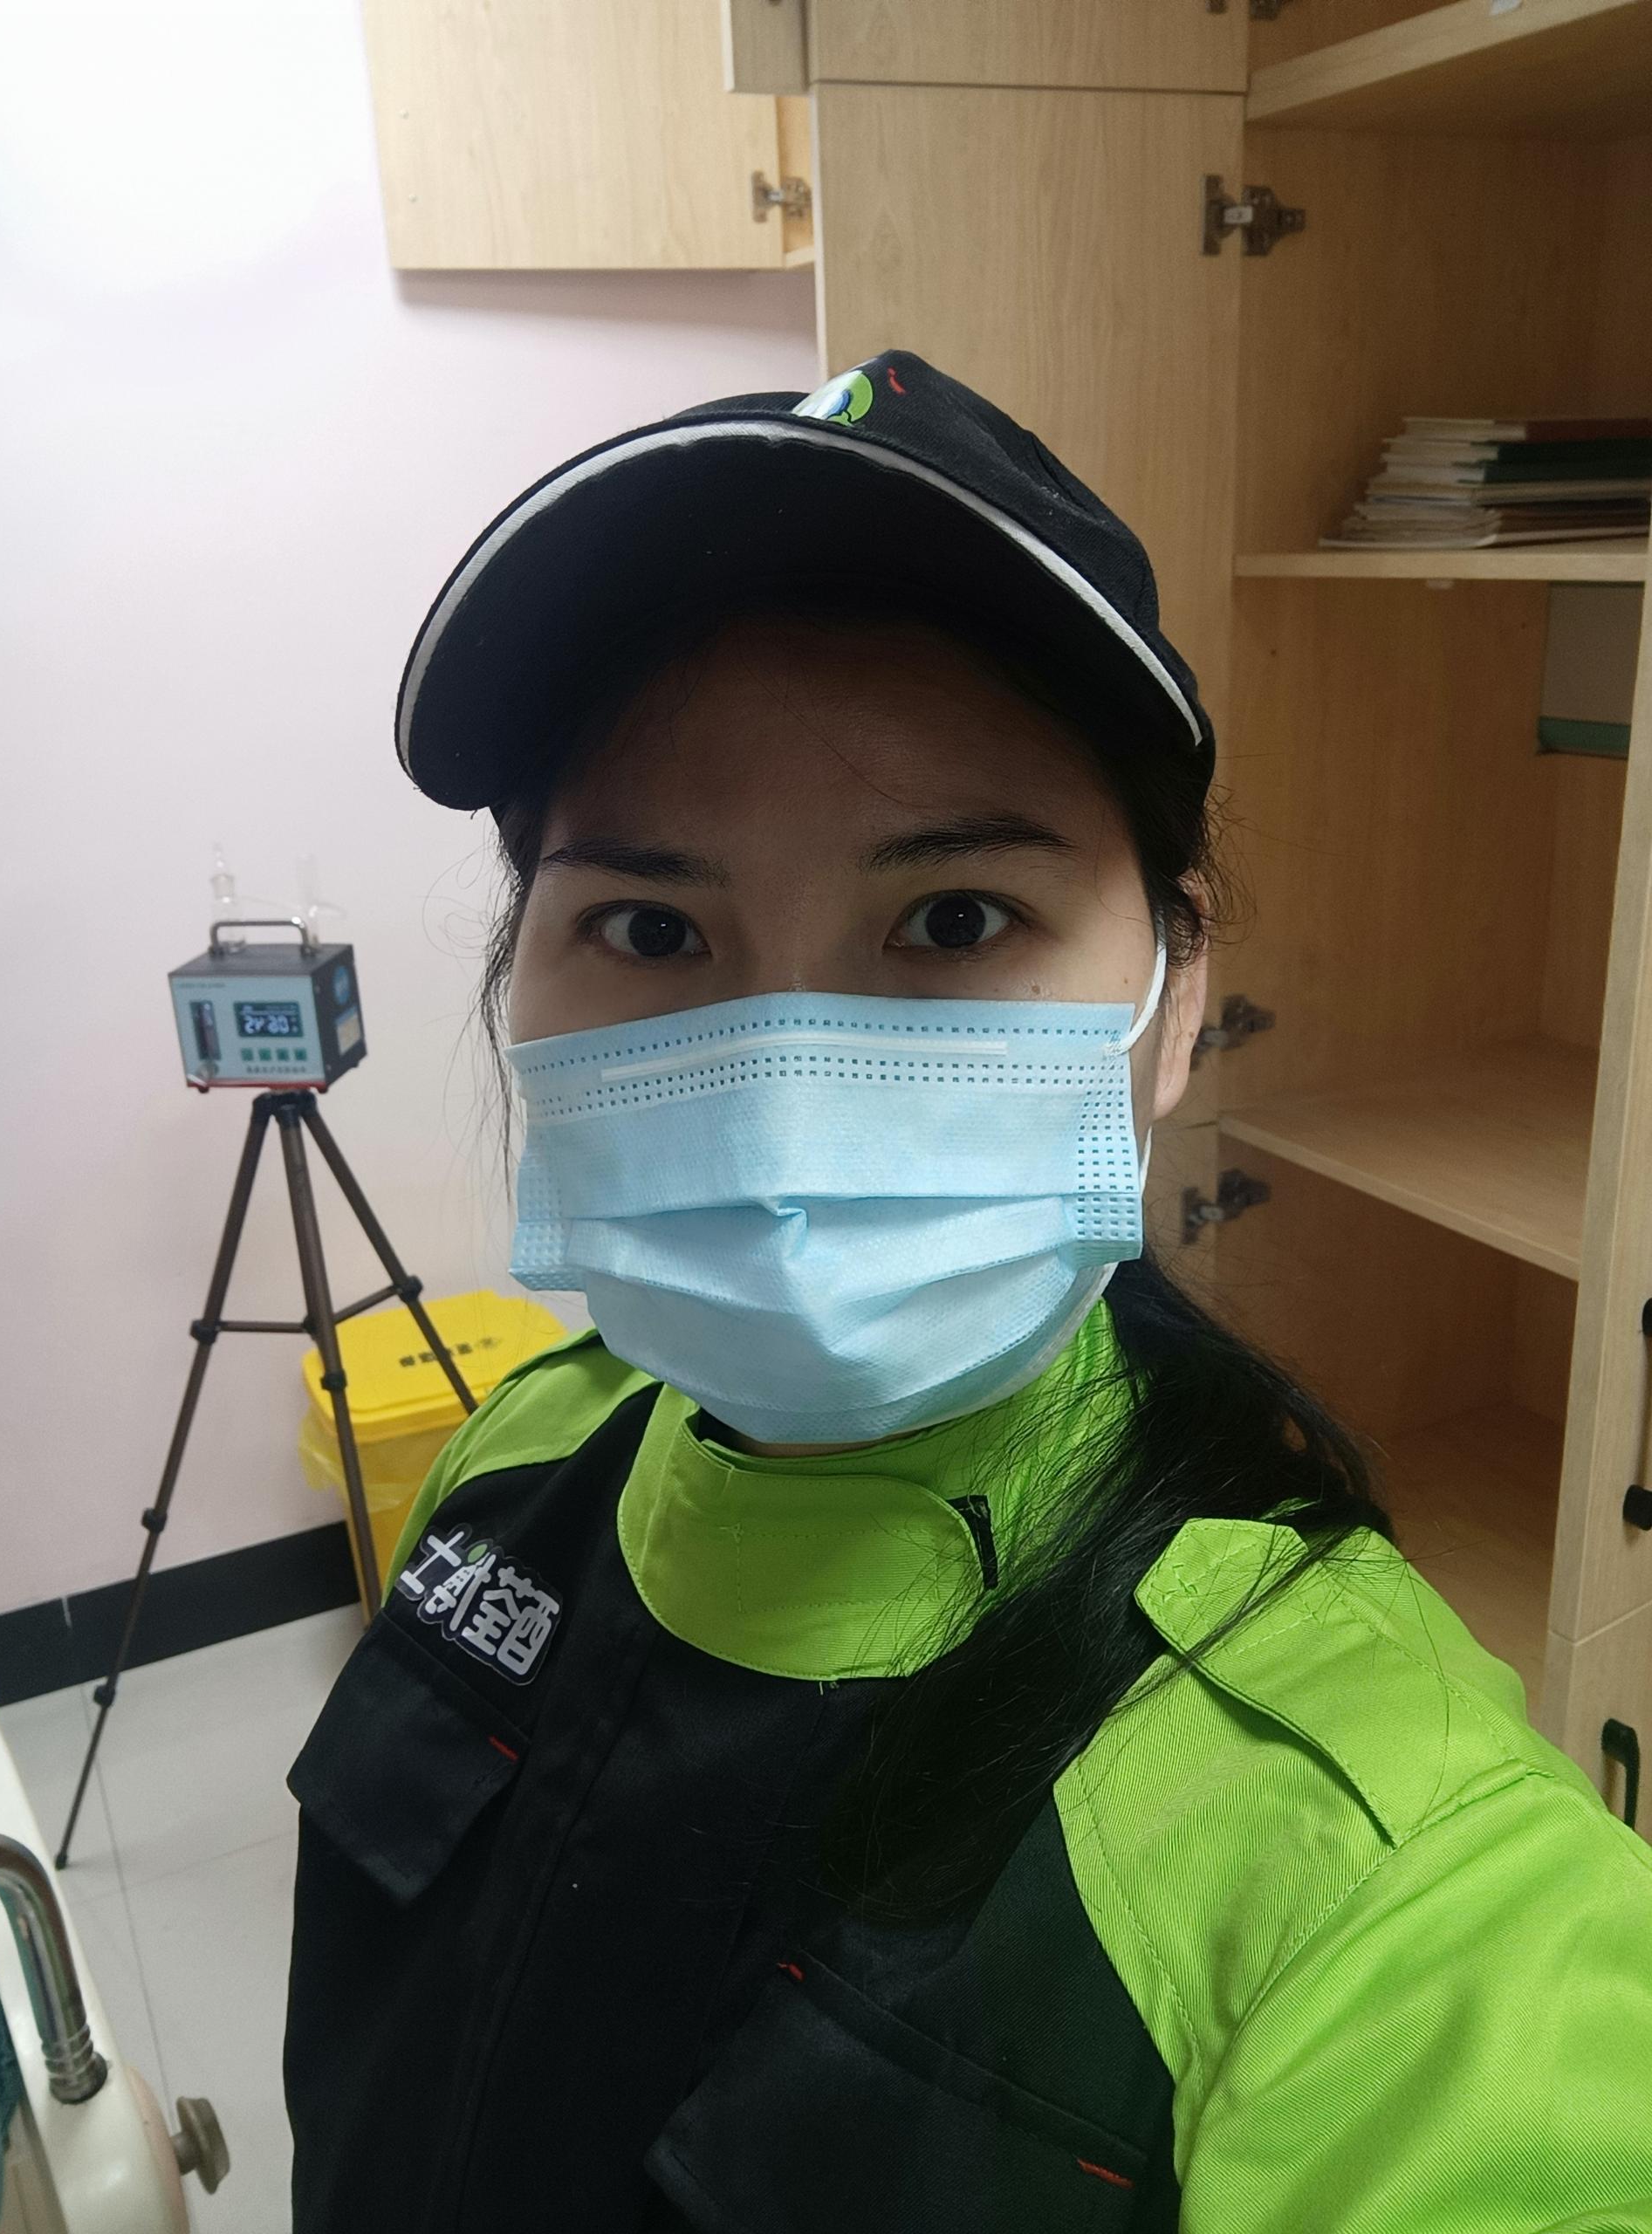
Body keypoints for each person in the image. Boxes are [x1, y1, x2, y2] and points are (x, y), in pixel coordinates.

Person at [283, 351, 1652, 2231]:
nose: (779, 1088)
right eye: (652, 926)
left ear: (1174, 994)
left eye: (952, 919)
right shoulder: (514, 1456)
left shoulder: (1377, 1860)